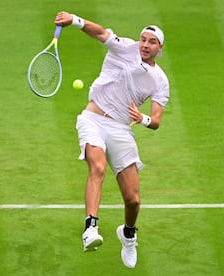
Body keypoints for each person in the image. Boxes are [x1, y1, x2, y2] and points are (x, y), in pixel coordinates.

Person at [54, 11, 169, 269]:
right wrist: (75, 20)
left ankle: (128, 234)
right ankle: (90, 229)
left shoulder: (160, 81)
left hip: (120, 129)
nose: (145, 45)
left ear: (159, 48)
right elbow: (101, 33)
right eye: (143, 39)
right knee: (97, 167)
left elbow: (157, 120)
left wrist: (143, 119)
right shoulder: (125, 48)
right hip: (92, 119)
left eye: (152, 42)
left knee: (133, 199)